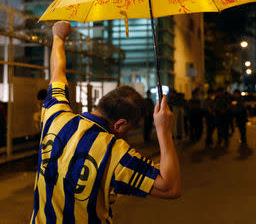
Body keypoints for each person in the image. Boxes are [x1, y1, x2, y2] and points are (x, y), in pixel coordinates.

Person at [31, 21, 181, 224]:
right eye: (130, 128)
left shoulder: (55, 115)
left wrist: (58, 37)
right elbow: (170, 187)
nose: (126, 134)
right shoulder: (114, 152)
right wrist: (164, 131)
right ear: (119, 124)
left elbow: (58, 72)